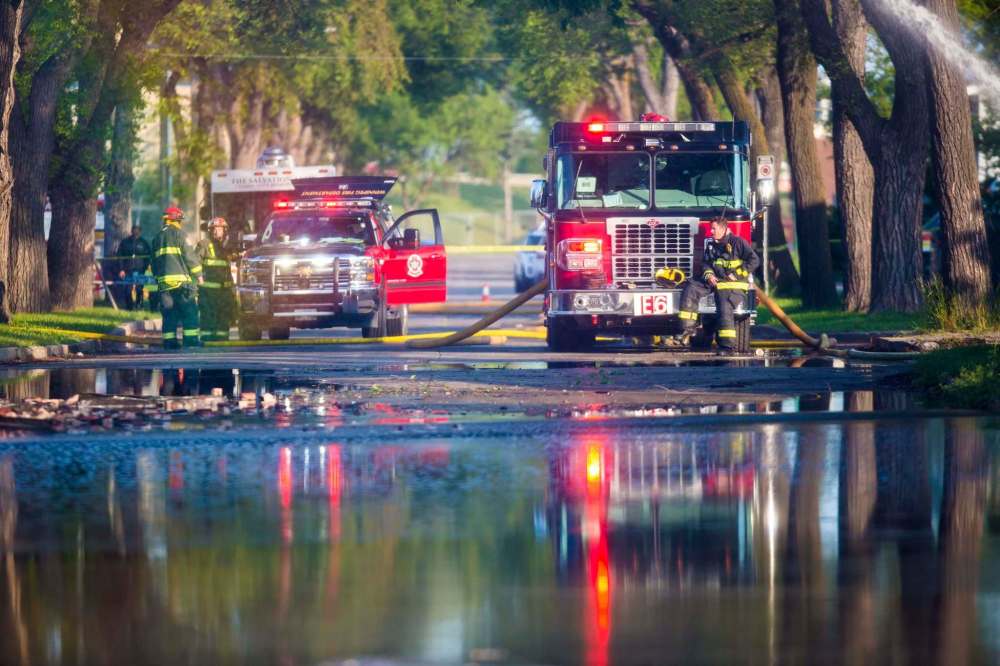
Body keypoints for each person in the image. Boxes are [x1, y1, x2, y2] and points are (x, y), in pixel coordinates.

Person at [667, 217, 760, 352]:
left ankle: (727, 346)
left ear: (723, 229)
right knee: (691, 288)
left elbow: (754, 260)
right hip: (714, 280)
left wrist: (736, 274)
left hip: (732, 284)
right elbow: (706, 263)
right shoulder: (711, 245)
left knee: (724, 306)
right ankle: (687, 329)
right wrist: (709, 275)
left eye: (713, 229)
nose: (711, 231)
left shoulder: (738, 242)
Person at [151, 206, 203, 350]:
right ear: (177, 220)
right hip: (181, 284)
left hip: (164, 285)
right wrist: (199, 276)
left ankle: (170, 342)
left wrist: (158, 278)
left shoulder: (157, 238)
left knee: (169, 315)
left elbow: (153, 262)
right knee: (189, 312)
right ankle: (191, 340)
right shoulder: (181, 235)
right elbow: (190, 257)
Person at [196, 217, 236, 342]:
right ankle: (207, 338)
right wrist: (198, 281)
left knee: (224, 316)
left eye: (219, 229)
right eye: (213, 229)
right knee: (208, 316)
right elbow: (195, 263)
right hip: (208, 291)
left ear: (224, 230)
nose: (215, 231)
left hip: (224, 291)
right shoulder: (203, 244)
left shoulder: (227, 247)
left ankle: (222, 338)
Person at [113, 224, 151, 310]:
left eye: (138, 230)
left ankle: (139, 305)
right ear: (131, 231)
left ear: (140, 232)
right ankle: (129, 307)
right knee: (127, 289)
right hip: (127, 270)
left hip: (140, 270)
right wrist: (121, 269)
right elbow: (120, 256)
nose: (136, 232)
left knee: (139, 288)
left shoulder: (144, 243)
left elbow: (148, 256)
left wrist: (145, 268)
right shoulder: (125, 242)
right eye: (134, 230)